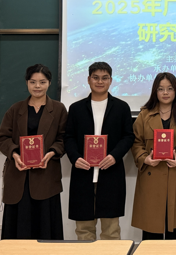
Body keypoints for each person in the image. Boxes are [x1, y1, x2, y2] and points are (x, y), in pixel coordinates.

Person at [0, 63, 67, 240]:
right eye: (33, 82)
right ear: (27, 83)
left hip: (46, 175)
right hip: (19, 174)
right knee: (19, 227)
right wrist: (15, 154)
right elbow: (2, 138)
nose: (37, 86)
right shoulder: (15, 109)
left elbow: (64, 138)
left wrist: (52, 153)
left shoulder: (58, 109)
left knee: (45, 226)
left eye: (42, 82)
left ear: (49, 83)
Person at [65, 62, 134, 240]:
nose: (100, 82)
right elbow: (68, 137)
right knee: (83, 230)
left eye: (104, 78)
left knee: (111, 231)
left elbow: (128, 136)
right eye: (95, 78)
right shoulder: (76, 108)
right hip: (83, 173)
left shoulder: (121, 107)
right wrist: (75, 158)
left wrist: (114, 156)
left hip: (111, 173)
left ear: (111, 80)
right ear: (88, 79)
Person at [131, 72, 176, 240]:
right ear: (155, 91)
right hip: (151, 178)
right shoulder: (144, 115)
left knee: (175, 235)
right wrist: (145, 158)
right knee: (150, 235)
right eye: (161, 89)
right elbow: (136, 142)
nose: (165, 93)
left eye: (170, 88)